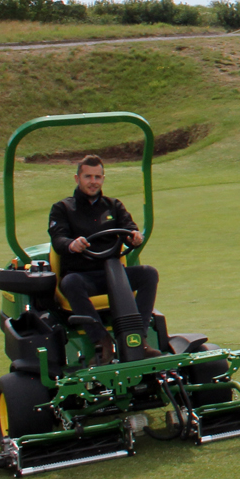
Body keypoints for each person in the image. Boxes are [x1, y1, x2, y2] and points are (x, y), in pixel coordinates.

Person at [47, 154, 158, 366]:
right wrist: (72, 244)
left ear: (103, 179)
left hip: (113, 274)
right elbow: (58, 238)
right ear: (77, 178)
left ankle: (138, 337)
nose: (93, 181)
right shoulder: (63, 209)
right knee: (70, 283)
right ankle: (101, 340)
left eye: (97, 177)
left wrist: (134, 237)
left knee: (148, 274)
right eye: (88, 176)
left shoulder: (113, 206)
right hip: (83, 275)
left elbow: (129, 229)